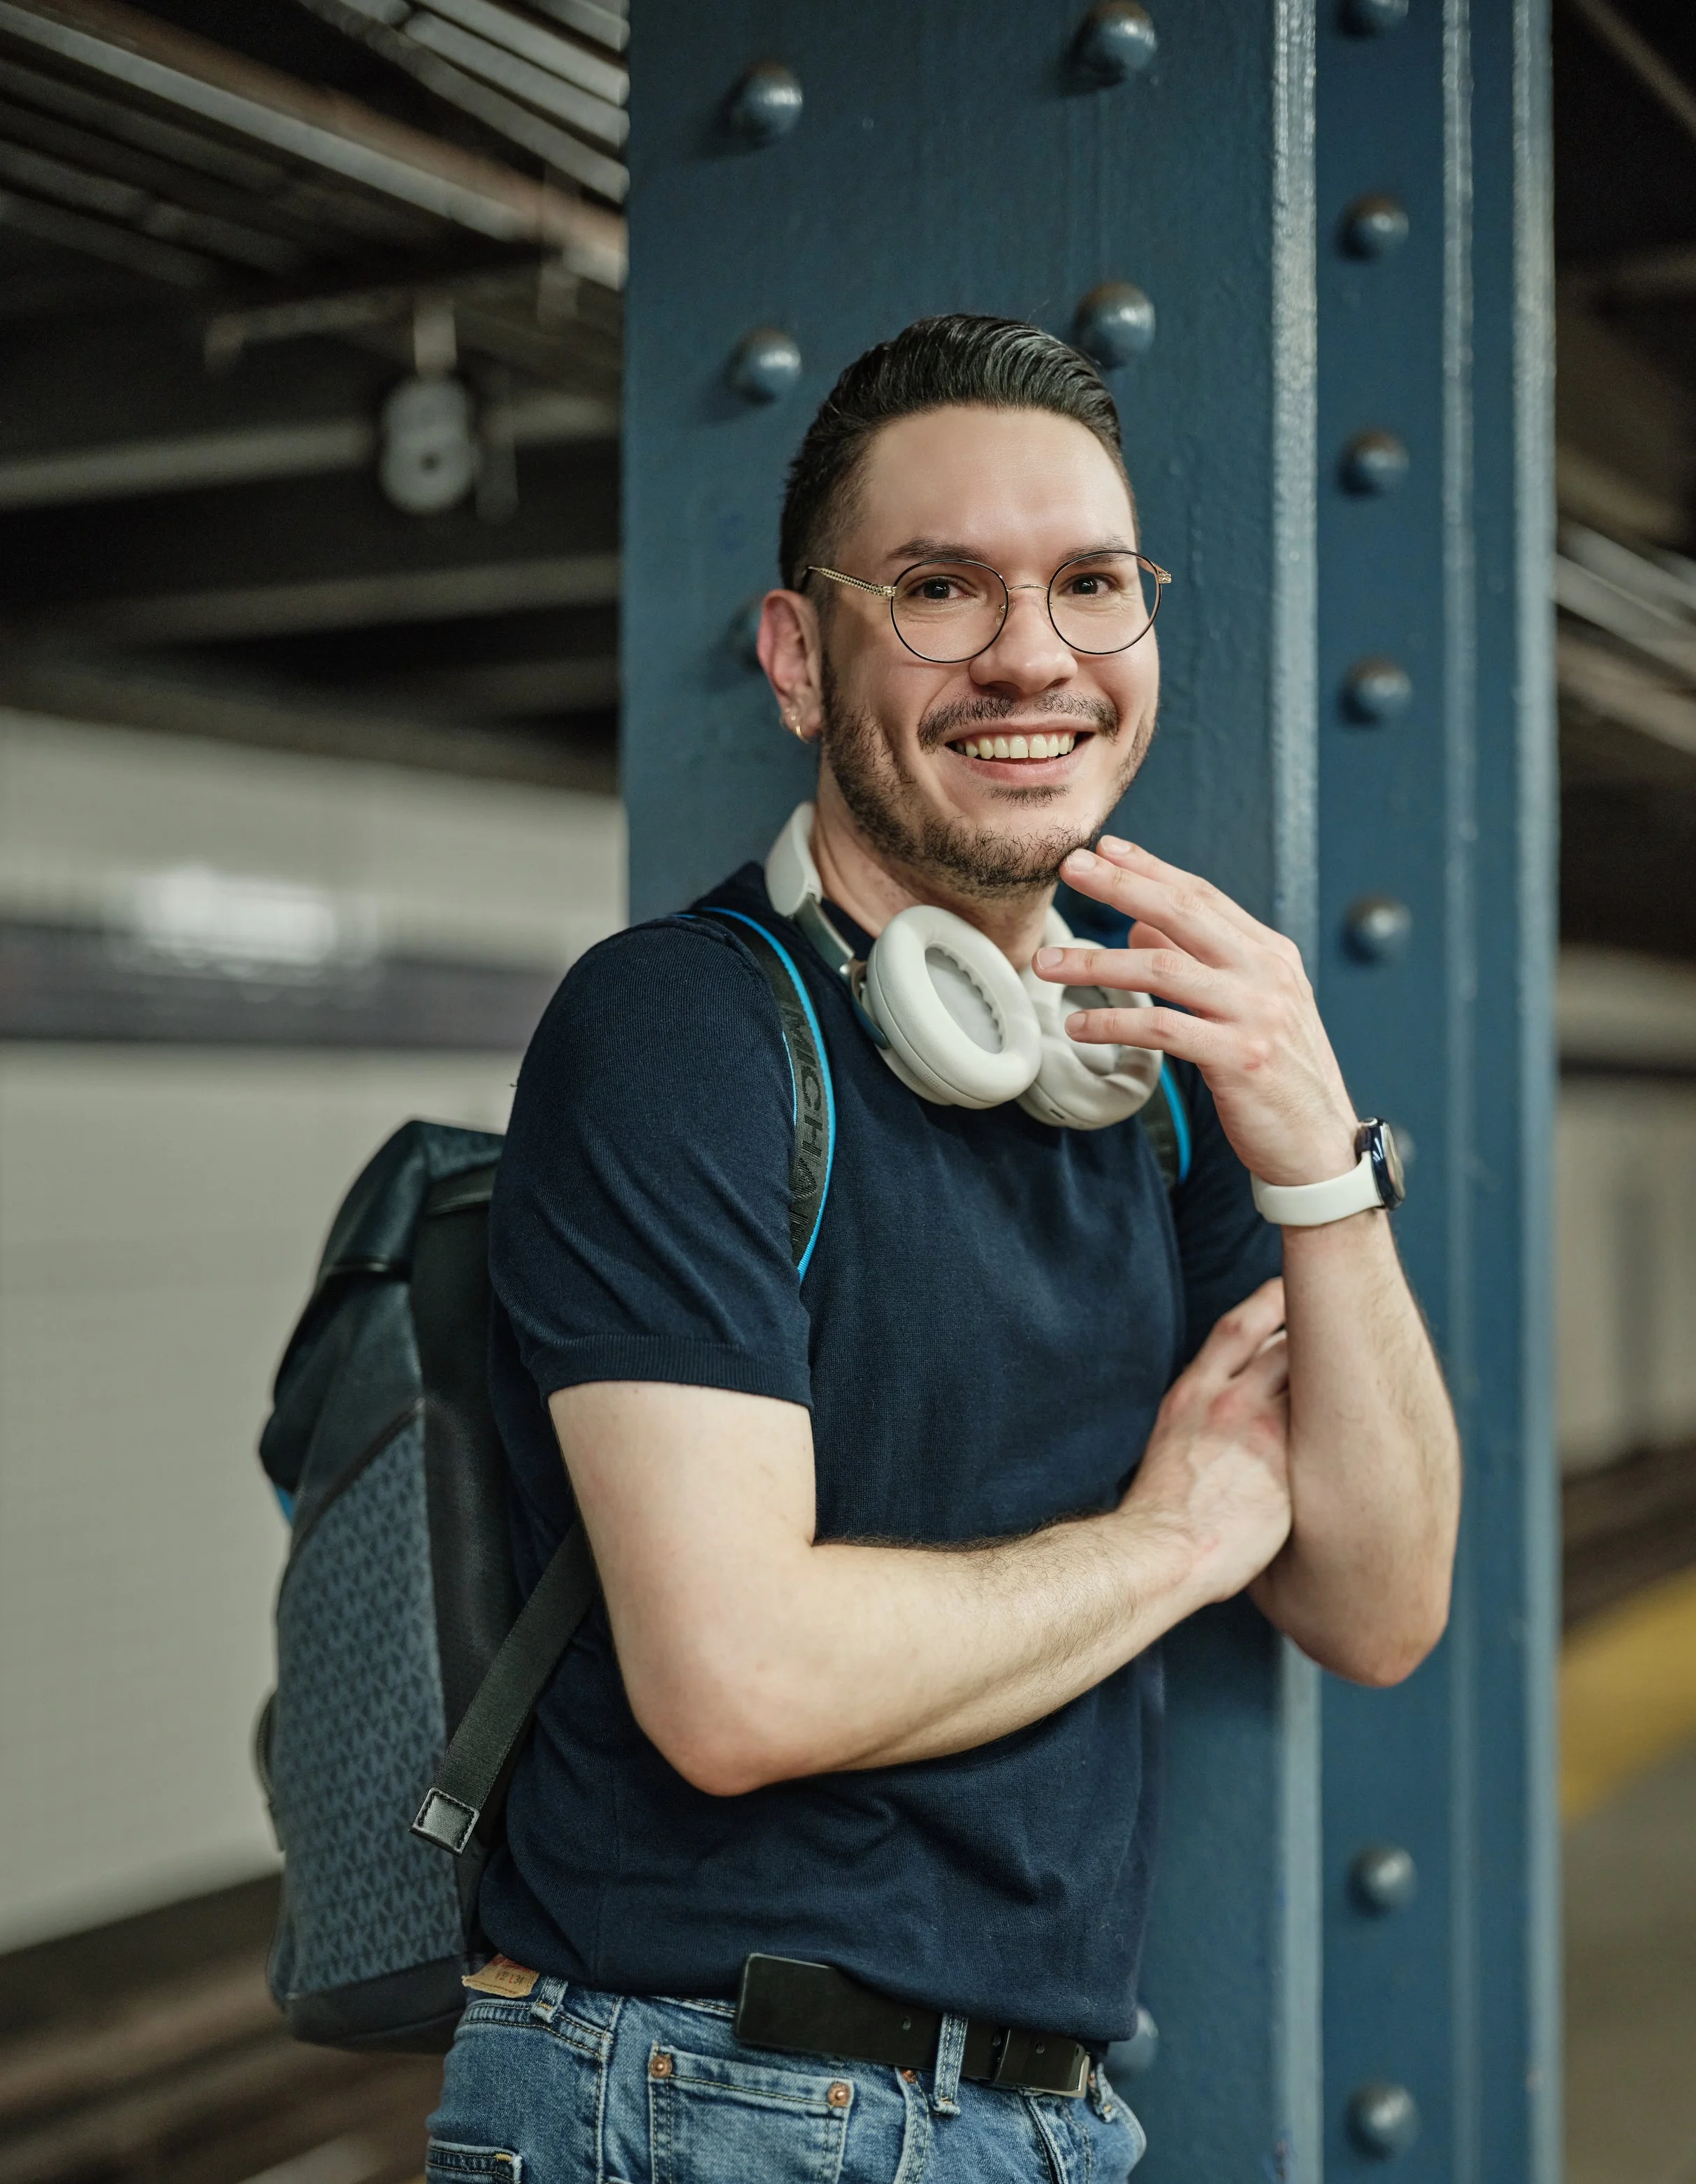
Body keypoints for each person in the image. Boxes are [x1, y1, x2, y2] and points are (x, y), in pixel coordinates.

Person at [426, 314, 1460, 2184]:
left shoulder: (1144, 1077)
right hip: (697, 2093)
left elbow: (1375, 1603)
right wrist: (1178, 1537)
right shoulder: (681, 1032)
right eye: (937, 587)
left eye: (1089, 584)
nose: (1029, 655)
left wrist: (1313, 1161)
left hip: (1024, 2117)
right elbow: (736, 1682)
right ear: (799, 658)